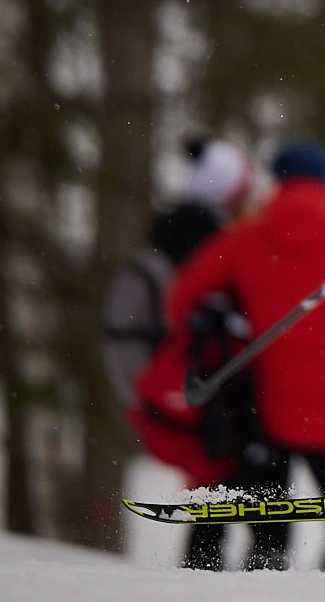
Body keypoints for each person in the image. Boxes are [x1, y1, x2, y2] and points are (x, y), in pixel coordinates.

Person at [167, 139, 325, 574]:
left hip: (265, 405)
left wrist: (221, 338)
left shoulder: (247, 236)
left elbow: (182, 298)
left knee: (269, 529)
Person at [106, 135, 257, 572]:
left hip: (194, 390)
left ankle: (212, 571)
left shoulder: (183, 245)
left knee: (215, 482)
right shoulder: (198, 252)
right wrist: (148, 395)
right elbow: (125, 329)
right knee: (223, 477)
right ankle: (230, 569)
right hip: (191, 392)